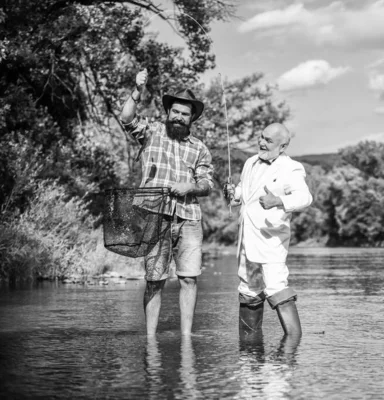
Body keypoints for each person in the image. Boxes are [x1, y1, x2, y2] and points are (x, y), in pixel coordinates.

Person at [120, 68, 214, 336]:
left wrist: (191, 187)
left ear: (192, 118)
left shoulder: (199, 148)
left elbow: (207, 184)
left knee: (189, 279)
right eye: (175, 111)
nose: (179, 117)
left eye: (185, 114)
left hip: (189, 218)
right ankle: (150, 337)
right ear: (168, 112)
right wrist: (137, 91)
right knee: (154, 279)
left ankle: (186, 336)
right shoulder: (151, 131)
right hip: (153, 215)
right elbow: (126, 118)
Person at [223, 123, 312, 338]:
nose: (261, 142)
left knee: (275, 286)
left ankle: (292, 345)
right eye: (261, 137)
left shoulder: (291, 168)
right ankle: (250, 351)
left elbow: (305, 198)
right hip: (246, 238)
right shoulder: (249, 162)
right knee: (248, 289)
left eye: (268, 140)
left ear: (282, 147)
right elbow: (244, 194)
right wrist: (233, 194)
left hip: (271, 240)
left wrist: (278, 200)